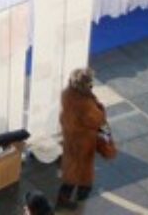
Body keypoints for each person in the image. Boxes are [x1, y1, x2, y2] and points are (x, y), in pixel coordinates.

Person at [58, 68, 108, 210]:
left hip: (70, 138)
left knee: (71, 169)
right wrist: (100, 108)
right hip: (83, 141)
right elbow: (99, 120)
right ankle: (79, 194)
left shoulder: (67, 94)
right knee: (82, 169)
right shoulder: (86, 104)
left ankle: (66, 197)